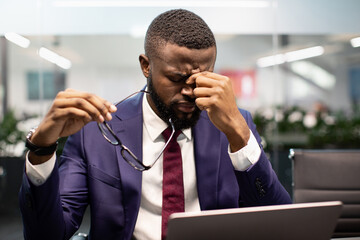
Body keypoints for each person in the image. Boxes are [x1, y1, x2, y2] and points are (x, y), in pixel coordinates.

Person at [19, 9, 291, 240]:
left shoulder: (233, 124)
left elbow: (281, 226)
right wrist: (41, 148)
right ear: (146, 66)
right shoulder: (96, 132)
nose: (189, 91)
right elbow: (48, 234)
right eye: (176, 78)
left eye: (201, 79)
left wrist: (239, 134)